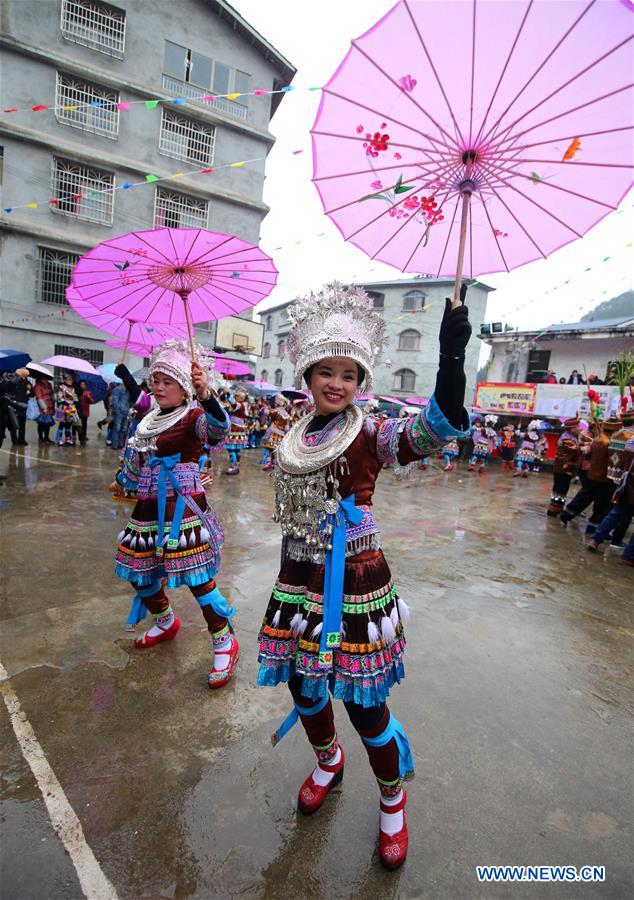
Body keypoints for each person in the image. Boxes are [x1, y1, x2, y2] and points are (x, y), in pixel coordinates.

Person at [257, 283, 471, 870]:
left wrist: (451, 359)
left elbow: (434, 429)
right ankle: (328, 761)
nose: (336, 383)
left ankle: (392, 801)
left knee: (364, 703)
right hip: (297, 579)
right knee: (304, 689)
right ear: (307, 374)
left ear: (361, 383)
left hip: (353, 587)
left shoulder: (371, 431)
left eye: (348, 374)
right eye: (325, 371)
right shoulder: (293, 434)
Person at [112, 340, 238, 688]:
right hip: (149, 506)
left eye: (168, 381)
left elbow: (218, 430)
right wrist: (126, 478)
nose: (159, 386)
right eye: (156, 380)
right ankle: (165, 620)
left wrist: (206, 395)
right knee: (138, 572)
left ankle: (224, 640)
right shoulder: (148, 419)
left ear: (184, 386)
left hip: (182, 506)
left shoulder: (194, 415)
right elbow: (133, 461)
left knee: (197, 579)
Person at [560, 419, 622, 530]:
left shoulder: (598, 439)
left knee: (584, 497)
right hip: (604, 477)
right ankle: (593, 527)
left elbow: (586, 450)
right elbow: (615, 460)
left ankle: (567, 514)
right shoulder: (610, 442)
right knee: (601, 505)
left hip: (592, 473)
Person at [587, 416, 634, 554]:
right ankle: (619, 543)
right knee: (618, 512)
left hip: (619, 478)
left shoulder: (617, 435)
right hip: (624, 479)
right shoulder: (628, 436)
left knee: (615, 512)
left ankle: (595, 539)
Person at [547, 417, 581, 516]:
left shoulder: (572, 437)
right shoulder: (567, 438)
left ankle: (557, 508)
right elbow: (576, 449)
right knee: (559, 489)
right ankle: (553, 510)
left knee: (562, 489)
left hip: (567, 469)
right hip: (563, 469)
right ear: (572, 429)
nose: (580, 429)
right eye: (578, 427)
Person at [223, 387, 250, 475]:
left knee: (231, 448)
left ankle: (233, 466)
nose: (235, 397)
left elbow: (233, 403)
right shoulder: (244, 405)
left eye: (237, 396)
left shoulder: (240, 405)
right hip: (240, 428)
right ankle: (236, 466)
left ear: (241, 398)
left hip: (235, 428)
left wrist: (228, 393)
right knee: (237, 449)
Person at [261, 393, 291, 470]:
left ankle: (269, 463)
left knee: (269, 448)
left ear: (277, 403)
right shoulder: (286, 414)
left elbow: (265, 412)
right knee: (276, 449)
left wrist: (265, 407)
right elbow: (287, 427)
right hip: (281, 434)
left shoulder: (276, 410)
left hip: (273, 432)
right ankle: (275, 464)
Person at [55, 374, 80, 446]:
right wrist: (64, 402)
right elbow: (59, 397)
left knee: (69, 423)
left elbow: (75, 397)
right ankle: (58, 439)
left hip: (71, 407)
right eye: (69, 379)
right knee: (62, 423)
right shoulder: (61, 387)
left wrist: (75, 401)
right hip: (62, 407)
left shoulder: (72, 388)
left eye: (71, 379)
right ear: (65, 380)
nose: (70, 381)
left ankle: (68, 438)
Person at [33, 374, 55, 443]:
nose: (45, 380)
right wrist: (43, 407)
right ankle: (40, 437)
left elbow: (51, 393)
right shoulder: (37, 386)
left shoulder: (49, 385)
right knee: (41, 422)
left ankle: (46, 437)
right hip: (42, 406)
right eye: (43, 378)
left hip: (50, 405)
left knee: (48, 422)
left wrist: (54, 399)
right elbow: (39, 397)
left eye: (46, 378)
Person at [109, 381, 130, 449]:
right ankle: (114, 444)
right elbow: (114, 401)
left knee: (124, 429)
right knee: (117, 428)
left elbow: (129, 401)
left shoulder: (128, 391)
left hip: (126, 412)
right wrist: (117, 411)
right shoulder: (117, 389)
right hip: (119, 412)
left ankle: (120, 444)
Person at [76, 380, 95, 445]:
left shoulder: (88, 392)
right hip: (78, 409)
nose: (82, 386)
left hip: (85, 410)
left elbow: (92, 401)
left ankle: (84, 435)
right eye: (81, 384)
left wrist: (89, 398)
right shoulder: (77, 392)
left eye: (84, 384)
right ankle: (79, 436)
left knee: (84, 423)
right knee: (78, 424)